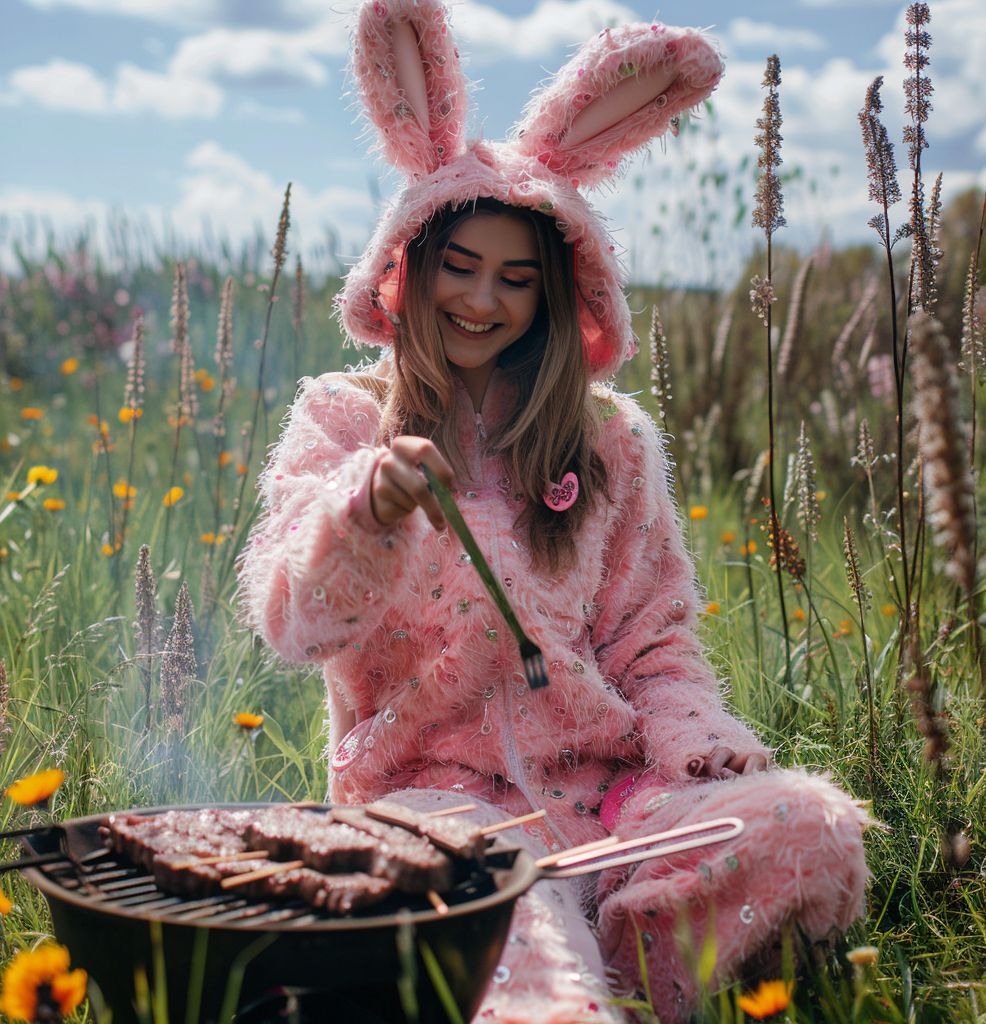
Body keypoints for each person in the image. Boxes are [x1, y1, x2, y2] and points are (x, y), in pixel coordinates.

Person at [239, 2, 871, 1021]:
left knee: (808, 825)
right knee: (511, 920)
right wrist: (361, 512)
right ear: (405, 267)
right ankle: (555, 976)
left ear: (558, 294)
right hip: (436, 811)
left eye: (516, 278)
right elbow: (292, 618)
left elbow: (652, 642)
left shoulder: (609, 441)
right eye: (459, 265)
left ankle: (618, 949)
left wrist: (697, 742)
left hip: (618, 803)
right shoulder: (342, 420)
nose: (481, 299)